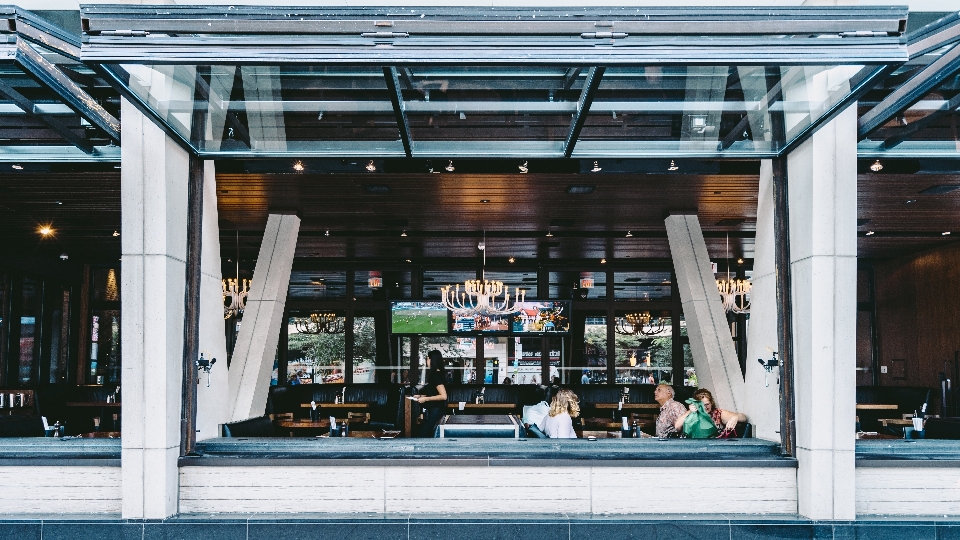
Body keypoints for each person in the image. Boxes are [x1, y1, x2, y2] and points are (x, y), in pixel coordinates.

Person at [674, 388, 747, 437]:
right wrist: (690, 411)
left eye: (707, 404)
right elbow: (677, 427)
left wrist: (735, 417)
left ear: (711, 403)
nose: (705, 407)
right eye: (702, 405)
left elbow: (743, 417)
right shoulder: (692, 413)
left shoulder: (718, 413)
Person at [414, 350, 448, 437]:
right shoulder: (439, 374)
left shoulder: (436, 376)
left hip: (435, 411)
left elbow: (443, 396)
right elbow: (434, 393)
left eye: (427, 359)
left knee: (422, 435)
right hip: (436, 410)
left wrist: (425, 399)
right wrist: (421, 396)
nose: (426, 361)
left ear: (432, 360)